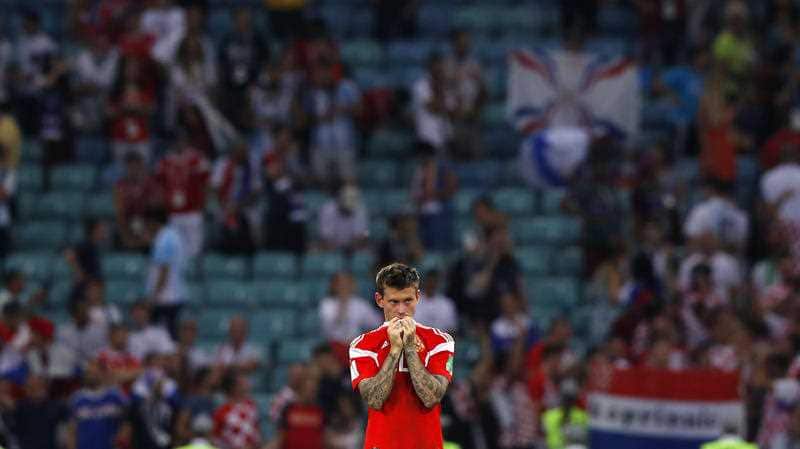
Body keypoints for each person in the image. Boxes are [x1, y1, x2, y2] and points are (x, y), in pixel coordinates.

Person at [349, 263, 455, 449]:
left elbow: (431, 397)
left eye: (408, 301)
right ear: (379, 300)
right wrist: (394, 351)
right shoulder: (362, 345)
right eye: (394, 302)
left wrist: (410, 349)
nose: (401, 310)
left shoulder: (439, 341)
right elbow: (374, 399)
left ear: (418, 297)